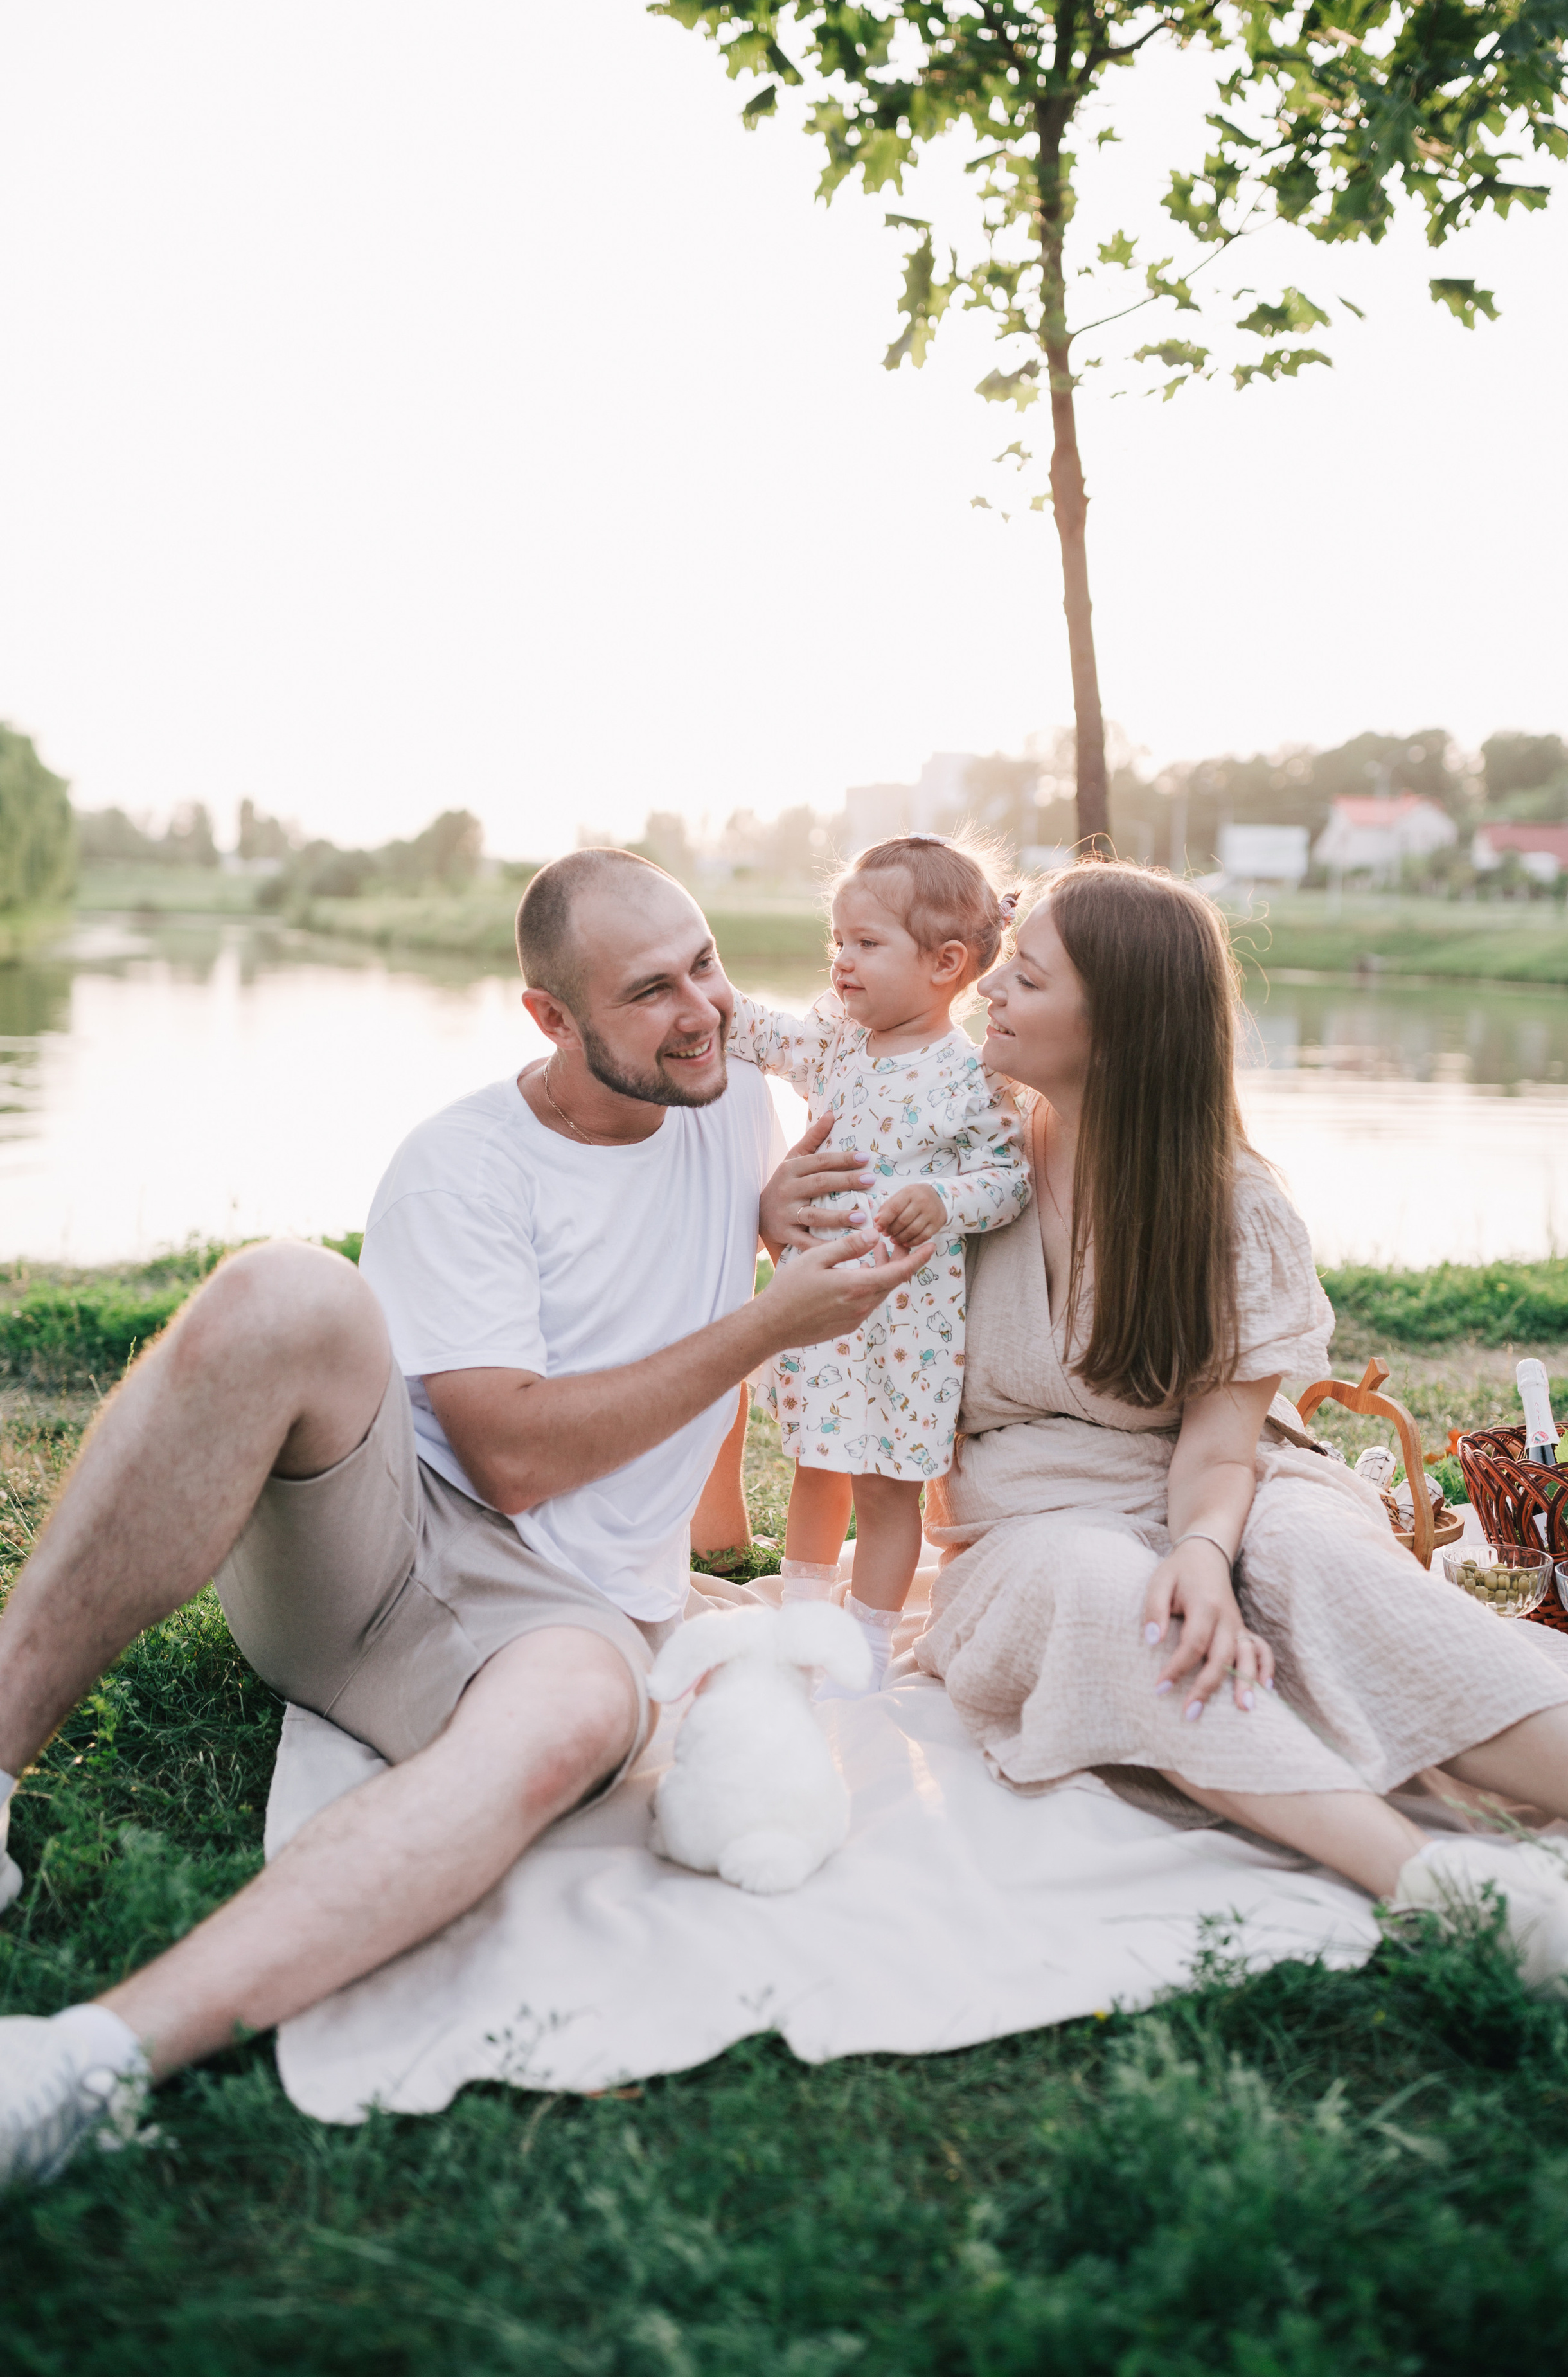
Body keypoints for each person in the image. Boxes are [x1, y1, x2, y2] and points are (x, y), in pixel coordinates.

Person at [0, 849, 923, 2185]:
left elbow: (724, 1219)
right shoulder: (463, 1164)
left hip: (568, 1618)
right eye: (650, 991)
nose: (703, 1010)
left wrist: (774, 1218)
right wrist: (763, 1324)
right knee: (283, 1290)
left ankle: (87, 2061)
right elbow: (511, 1461)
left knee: (576, 1718)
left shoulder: (727, 1100)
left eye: (706, 963)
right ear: (551, 1018)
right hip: (369, 1555)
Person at [914, 859, 1568, 1985]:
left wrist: (1205, 1551)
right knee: (1112, 1596)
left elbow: (1219, 1447)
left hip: (1228, 1474)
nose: (987, 989)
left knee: (1325, 1563)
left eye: (1028, 974)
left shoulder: (1232, 1204)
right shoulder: (961, 1151)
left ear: (1118, 1025)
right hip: (1033, 1515)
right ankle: (1437, 1886)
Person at [728, 836, 1029, 1690]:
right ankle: (801, 1626)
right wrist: (705, 989)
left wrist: (944, 1199)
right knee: (818, 1466)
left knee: (889, 1485)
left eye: (866, 943)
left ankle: (863, 1646)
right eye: (837, 940)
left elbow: (1008, 1179)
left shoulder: (970, 1077)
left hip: (910, 1328)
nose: (842, 960)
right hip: (823, 1308)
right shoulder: (836, 1044)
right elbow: (763, 1033)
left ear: (946, 964)